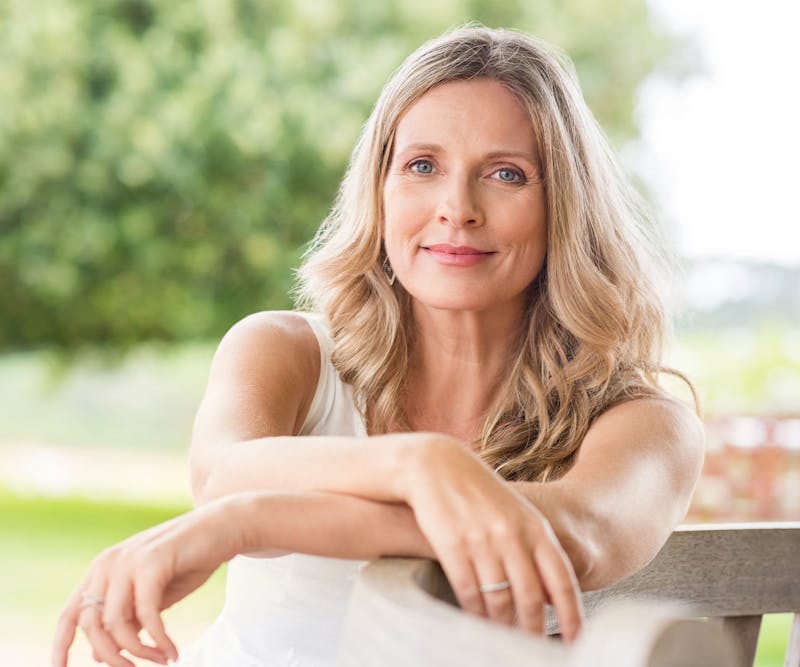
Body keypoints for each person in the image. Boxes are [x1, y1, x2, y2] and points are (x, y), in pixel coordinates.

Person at [52, 25, 704, 667]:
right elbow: (223, 474)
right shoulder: (283, 350)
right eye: (422, 166)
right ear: (379, 190)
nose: (457, 207)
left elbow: (578, 534)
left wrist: (248, 522)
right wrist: (415, 465)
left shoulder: (649, 423)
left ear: (564, 204)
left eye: (506, 174)